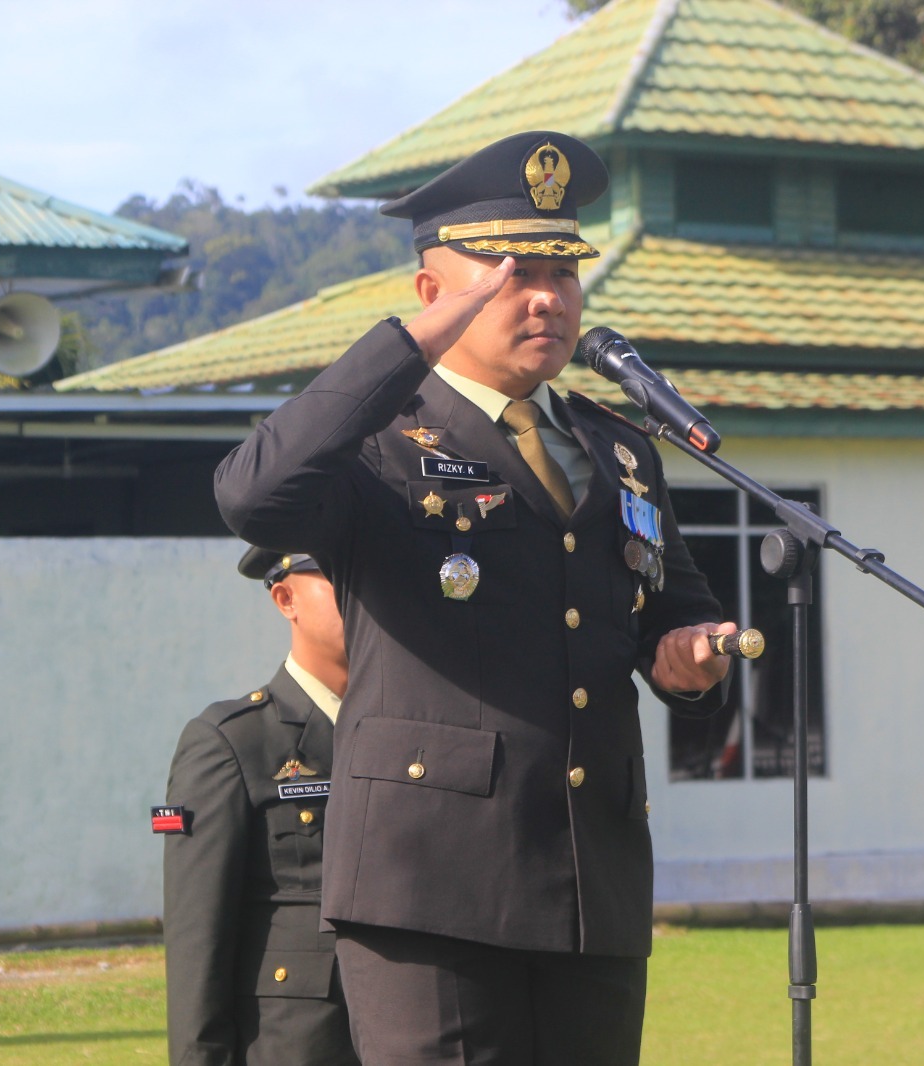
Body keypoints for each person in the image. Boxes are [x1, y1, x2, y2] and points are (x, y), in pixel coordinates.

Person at [213, 130, 736, 1065]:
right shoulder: (377, 441)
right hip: (431, 888)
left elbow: (673, 611)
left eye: (563, 273)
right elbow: (252, 495)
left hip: (591, 880)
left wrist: (691, 659)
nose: (546, 297)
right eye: (510, 273)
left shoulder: (620, 449)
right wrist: (406, 350)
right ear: (432, 292)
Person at [158, 548, 359, 1066]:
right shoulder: (232, 742)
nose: (363, 595)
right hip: (296, 1044)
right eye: (339, 576)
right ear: (286, 599)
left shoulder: (408, 734)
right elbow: (197, 936)